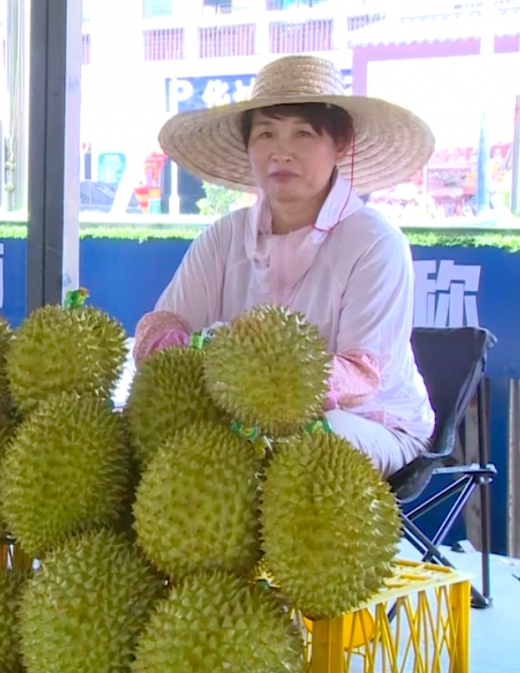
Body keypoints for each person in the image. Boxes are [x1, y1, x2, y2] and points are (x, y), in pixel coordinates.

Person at [133, 54, 436, 478]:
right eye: (266, 134)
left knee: (297, 447)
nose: (282, 152)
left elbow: (362, 375)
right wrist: (181, 356)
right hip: (243, 418)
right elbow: (160, 325)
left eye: (303, 133)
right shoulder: (224, 237)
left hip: (371, 422)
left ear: (340, 144)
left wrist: (257, 381)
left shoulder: (375, 243)